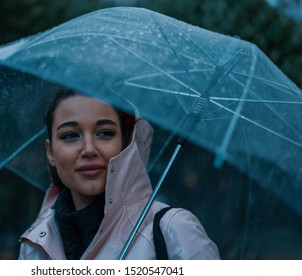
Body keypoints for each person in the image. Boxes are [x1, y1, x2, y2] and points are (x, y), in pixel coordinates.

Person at [18, 88, 220, 260]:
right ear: (50, 151)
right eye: (70, 135)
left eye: (104, 133)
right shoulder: (34, 246)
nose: (89, 149)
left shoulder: (172, 230)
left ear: (125, 144)